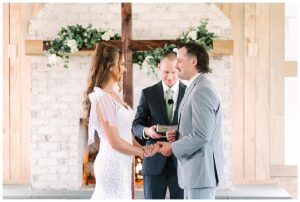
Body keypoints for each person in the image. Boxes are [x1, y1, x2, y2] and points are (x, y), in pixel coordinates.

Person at [82, 43, 160, 200]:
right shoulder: (102, 97)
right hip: (112, 164)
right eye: (122, 64)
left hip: (123, 163)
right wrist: (143, 152)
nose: (124, 69)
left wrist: (145, 148)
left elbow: (125, 135)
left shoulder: (115, 95)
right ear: (111, 66)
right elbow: (115, 142)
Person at [158, 42, 224, 199]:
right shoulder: (195, 86)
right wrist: (178, 133)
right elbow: (195, 127)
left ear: (193, 61)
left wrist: (173, 147)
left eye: (180, 60)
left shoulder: (203, 89)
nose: (176, 65)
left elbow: (202, 134)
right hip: (194, 174)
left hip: (200, 174)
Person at [132, 51, 186, 199]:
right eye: (166, 72)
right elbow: (136, 125)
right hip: (154, 161)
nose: (169, 77)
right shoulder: (148, 93)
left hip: (181, 163)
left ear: (179, 69)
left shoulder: (189, 93)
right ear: (158, 67)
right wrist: (148, 131)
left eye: (174, 72)